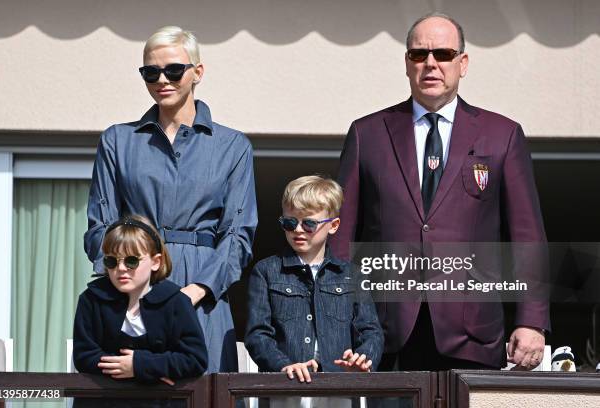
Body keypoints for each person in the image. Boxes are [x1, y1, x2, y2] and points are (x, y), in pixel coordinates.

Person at [331, 13, 549, 371]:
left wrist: (531, 319)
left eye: (443, 54)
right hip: (385, 335)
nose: (430, 64)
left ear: (462, 63)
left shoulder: (502, 135)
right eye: (419, 55)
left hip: (472, 334)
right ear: (406, 64)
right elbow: (341, 236)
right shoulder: (366, 134)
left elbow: (527, 236)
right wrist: (336, 315)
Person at [84, 26, 257, 374]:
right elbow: (98, 229)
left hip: (202, 297)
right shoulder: (117, 142)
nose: (162, 79)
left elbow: (238, 235)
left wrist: (193, 292)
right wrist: (133, 282)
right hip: (130, 294)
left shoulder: (233, 146)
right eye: (151, 72)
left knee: (204, 390)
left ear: (198, 72)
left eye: (173, 70)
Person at [245, 175, 383, 391]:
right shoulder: (266, 271)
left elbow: (371, 331)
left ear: (334, 225)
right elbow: (257, 334)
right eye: (290, 222)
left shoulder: (352, 275)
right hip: (285, 389)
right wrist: (284, 366)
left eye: (309, 223)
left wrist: (363, 359)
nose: (298, 230)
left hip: (340, 387)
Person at [73, 216, 207, 406]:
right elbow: (84, 355)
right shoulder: (91, 299)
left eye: (131, 261)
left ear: (156, 262)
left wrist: (139, 365)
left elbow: (195, 359)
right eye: (111, 261)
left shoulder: (176, 302)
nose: (120, 268)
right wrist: (145, 371)